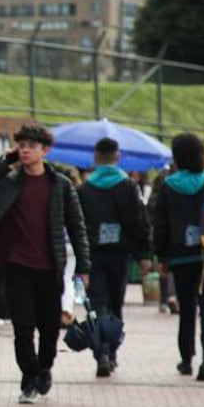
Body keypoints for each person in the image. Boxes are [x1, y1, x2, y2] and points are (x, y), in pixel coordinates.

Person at [0, 124, 90, 404]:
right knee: (23, 327)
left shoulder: (60, 185)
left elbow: (77, 226)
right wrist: (4, 162)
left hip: (50, 266)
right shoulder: (8, 181)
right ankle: (29, 377)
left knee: (49, 328)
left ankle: (45, 367)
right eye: (21, 145)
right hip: (14, 264)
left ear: (44, 151)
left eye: (31, 146)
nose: (25, 150)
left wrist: (84, 266)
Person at [77, 138, 153, 377]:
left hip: (93, 253)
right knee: (115, 303)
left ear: (95, 158)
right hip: (120, 254)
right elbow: (138, 222)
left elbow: (78, 225)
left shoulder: (85, 189)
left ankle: (102, 351)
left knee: (98, 303)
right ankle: (112, 351)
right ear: (117, 158)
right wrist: (143, 254)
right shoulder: (128, 186)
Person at [151, 133, 204, 381]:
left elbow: (161, 226)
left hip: (181, 256)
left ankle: (186, 358)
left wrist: (161, 256)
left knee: (187, 309)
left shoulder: (169, 186)